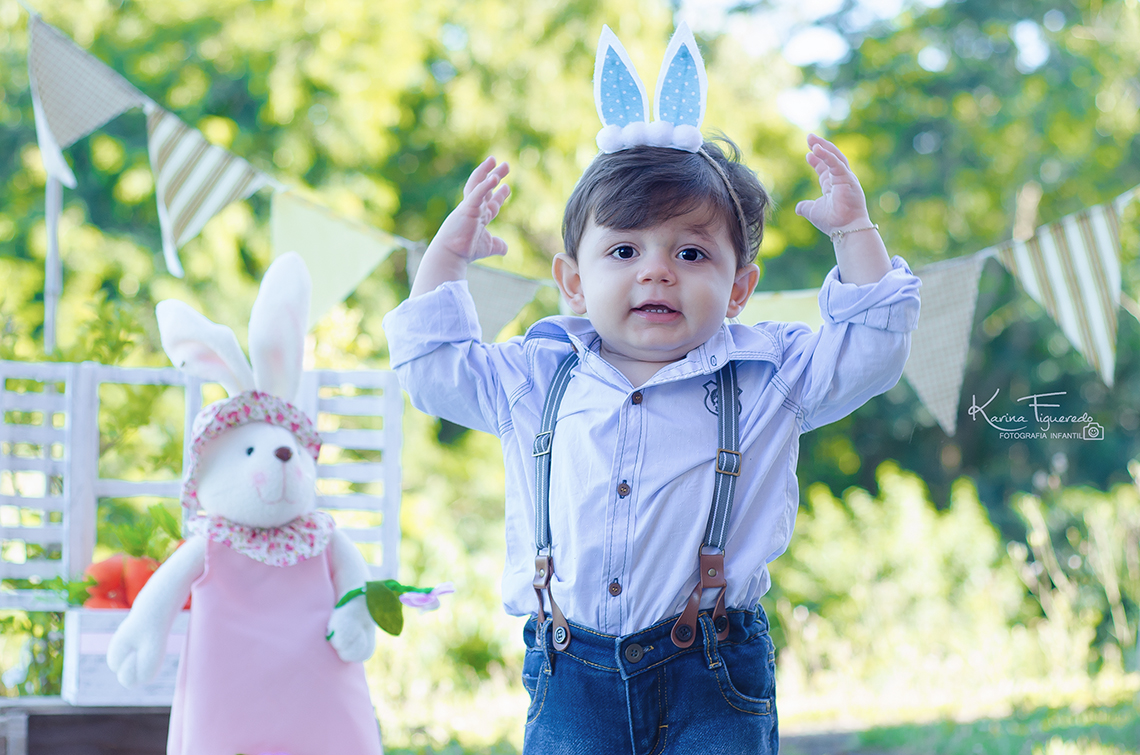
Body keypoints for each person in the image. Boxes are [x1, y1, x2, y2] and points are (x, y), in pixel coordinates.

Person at [382, 24, 920, 755]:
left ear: (738, 288)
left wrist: (856, 233)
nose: (657, 271)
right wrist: (446, 256)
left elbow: (873, 351)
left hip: (715, 674)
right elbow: (430, 366)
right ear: (572, 281)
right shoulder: (535, 376)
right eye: (625, 250)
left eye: (691, 252)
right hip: (571, 674)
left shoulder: (770, 374)